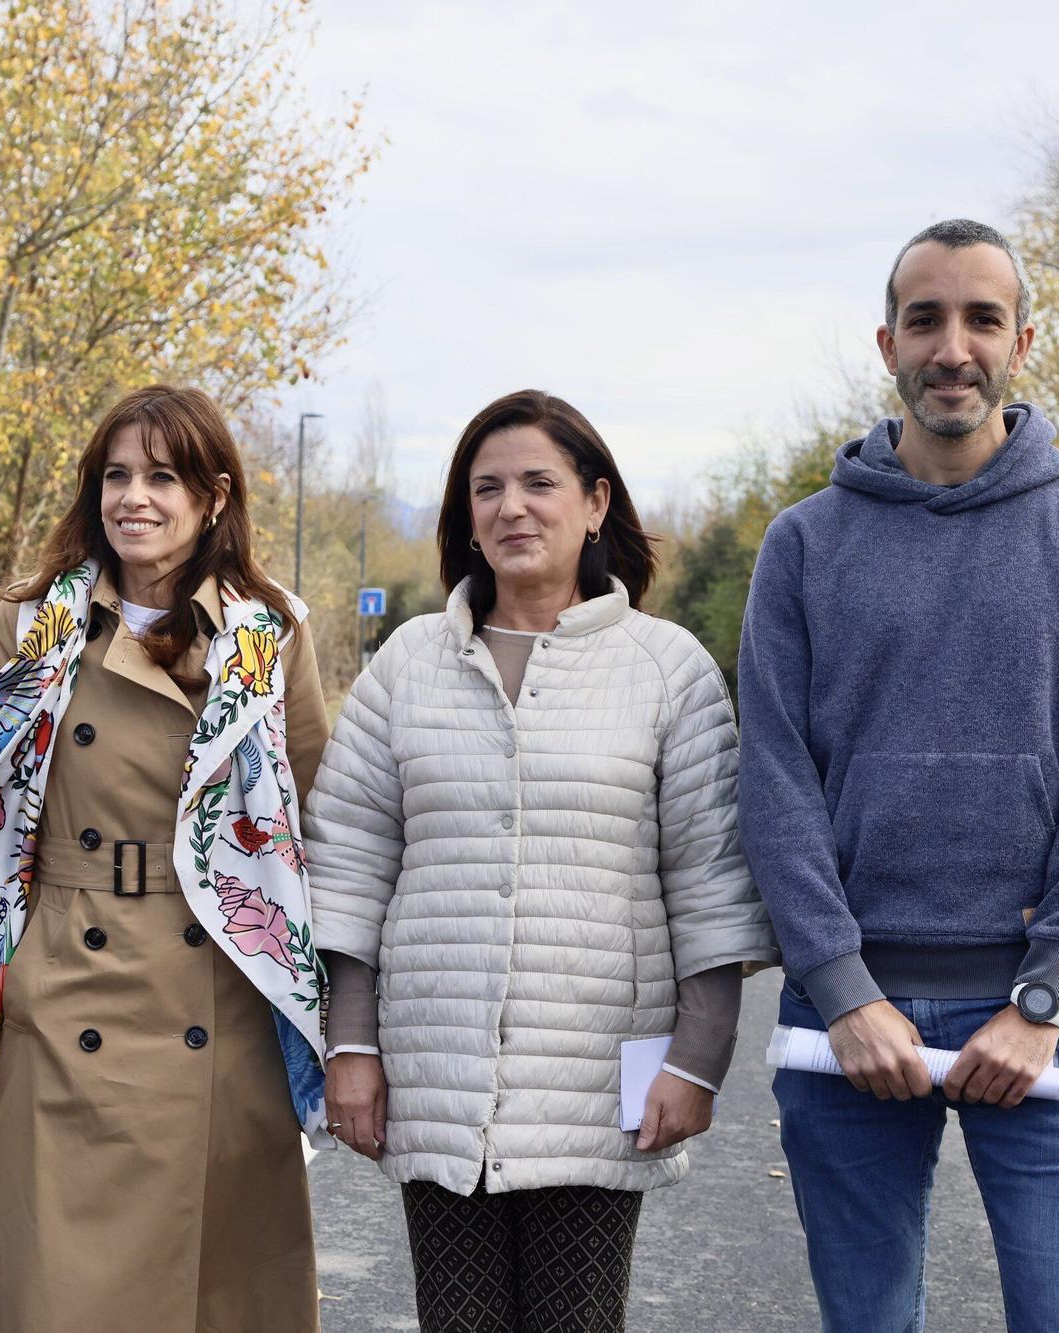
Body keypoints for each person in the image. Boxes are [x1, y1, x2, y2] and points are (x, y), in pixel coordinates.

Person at [738, 219, 1059, 1332]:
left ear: (1020, 340)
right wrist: (841, 988)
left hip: (1034, 1011)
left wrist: (1045, 994)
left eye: (980, 317)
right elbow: (774, 780)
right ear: (885, 342)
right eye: (924, 318)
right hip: (846, 1018)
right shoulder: (802, 545)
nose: (951, 345)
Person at [305, 389, 779, 1332]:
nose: (511, 506)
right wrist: (350, 1047)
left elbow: (712, 879)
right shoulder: (408, 664)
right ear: (466, 519)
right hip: (435, 1069)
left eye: (538, 483)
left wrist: (698, 1059)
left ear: (595, 503)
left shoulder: (667, 668)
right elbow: (348, 864)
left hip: (604, 1077)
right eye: (487, 489)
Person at [0, 385, 332, 1332]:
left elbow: (319, 830)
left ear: (214, 495)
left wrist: (340, 1033)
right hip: (67, 990)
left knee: (214, 1295)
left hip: (219, 995)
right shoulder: (33, 625)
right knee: (62, 1293)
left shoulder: (269, 632)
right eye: (116, 475)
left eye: (162, 475)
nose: (133, 497)